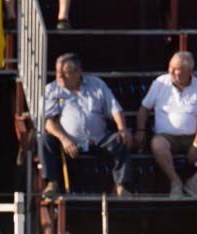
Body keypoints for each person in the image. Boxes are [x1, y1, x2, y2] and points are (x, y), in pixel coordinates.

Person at [39, 53, 132, 201]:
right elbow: (48, 122)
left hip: (98, 138)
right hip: (67, 141)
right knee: (45, 139)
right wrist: (64, 139)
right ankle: (52, 183)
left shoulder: (97, 84)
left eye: (65, 73)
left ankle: (121, 186)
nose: (60, 77)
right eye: (58, 73)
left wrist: (122, 128)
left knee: (121, 139)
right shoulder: (51, 90)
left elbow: (115, 108)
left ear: (78, 72)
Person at [137, 51, 197, 198]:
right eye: (170, 67)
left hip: (194, 136)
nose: (171, 72)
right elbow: (144, 109)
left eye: (177, 69)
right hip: (166, 138)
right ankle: (176, 182)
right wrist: (140, 130)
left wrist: (196, 145)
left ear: (189, 71)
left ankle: (194, 181)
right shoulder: (160, 82)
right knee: (157, 144)